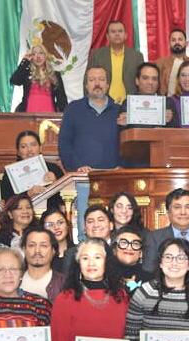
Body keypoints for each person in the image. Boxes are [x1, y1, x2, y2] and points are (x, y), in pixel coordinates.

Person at [58, 66, 121, 233]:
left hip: (112, 179)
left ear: (107, 84)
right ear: (86, 85)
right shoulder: (73, 109)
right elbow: (64, 143)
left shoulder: (119, 111)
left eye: (101, 79)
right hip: (83, 179)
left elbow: (128, 144)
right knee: (85, 228)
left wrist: (121, 167)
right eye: (92, 80)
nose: (97, 83)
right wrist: (77, 167)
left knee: (113, 227)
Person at [142, 188, 189, 273]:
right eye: (177, 207)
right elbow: (149, 271)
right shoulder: (154, 238)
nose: (183, 212)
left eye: (188, 207)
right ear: (168, 211)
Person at [0, 131, 64, 213]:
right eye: (23, 147)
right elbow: (7, 203)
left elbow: (65, 199)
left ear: (40, 148)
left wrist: (55, 183)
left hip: (51, 215)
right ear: (18, 152)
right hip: (22, 216)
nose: (29, 150)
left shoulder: (54, 169)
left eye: (33, 145)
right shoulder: (10, 173)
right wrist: (27, 195)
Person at [88, 20, 144, 104]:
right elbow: (88, 80)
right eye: (113, 32)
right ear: (107, 36)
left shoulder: (137, 56)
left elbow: (142, 82)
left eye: (120, 31)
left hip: (130, 103)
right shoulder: (97, 55)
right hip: (103, 103)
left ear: (125, 35)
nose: (117, 34)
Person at [117, 62, 175, 138]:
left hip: (160, 144)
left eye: (154, 79)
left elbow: (175, 133)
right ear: (137, 81)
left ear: (158, 82)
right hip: (136, 144)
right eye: (145, 78)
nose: (150, 82)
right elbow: (122, 134)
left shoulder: (167, 103)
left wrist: (170, 122)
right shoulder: (128, 103)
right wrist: (123, 125)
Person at [11, 43, 68, 113]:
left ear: (45, 56)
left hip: (49, 114)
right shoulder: (26, 73)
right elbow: (15, 81)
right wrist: (25, 60)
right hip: (28, 115)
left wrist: (66, 116)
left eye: (41, 53)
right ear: (31, 57)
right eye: (34, 54)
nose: (38, 56)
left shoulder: (55, 74)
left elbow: (62, 99)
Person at [156, 28, 189, 95]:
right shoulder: (160, 63)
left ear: (186, 43)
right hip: (167, 100)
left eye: (180, 39)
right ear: (169, 43)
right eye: (173, 40)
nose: (177, 42)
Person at [20, 225, 65, 300]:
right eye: (31, 245)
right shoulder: (14, 281)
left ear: (53, 251)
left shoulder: (65, 284)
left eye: (43, 246)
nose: (37, 251)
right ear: (24, 250)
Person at [114, 225, 152, 293]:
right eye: (124, 243)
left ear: (141, 253)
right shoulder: (104, 274)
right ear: (114, 249)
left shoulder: (150, 279)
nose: (129, 248)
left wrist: (133, 287)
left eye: (135, 244)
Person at [41, 207, 75, 272]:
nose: (56, 227)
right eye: (50, 225)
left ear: (67, 225)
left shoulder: (79, 253)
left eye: (60, 222)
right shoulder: (40, 256)